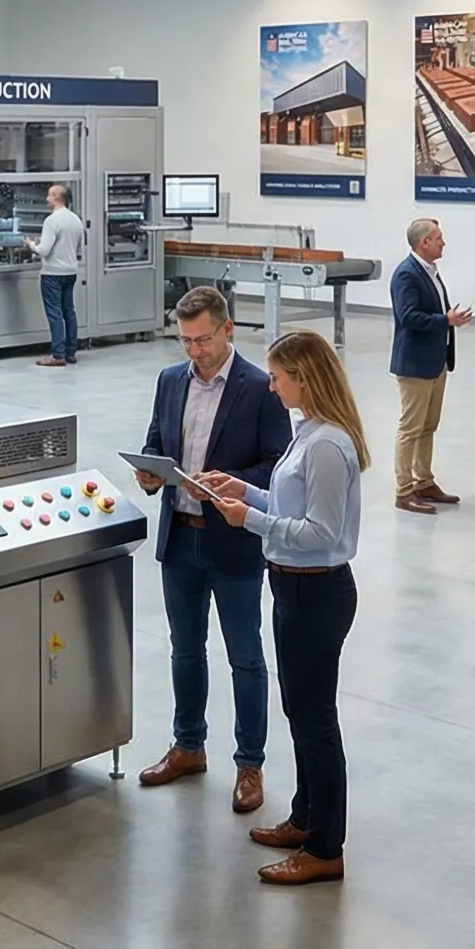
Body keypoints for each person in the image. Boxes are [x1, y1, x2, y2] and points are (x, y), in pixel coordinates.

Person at [192, 328, 367, 888]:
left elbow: (320, 532)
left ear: (304, 377)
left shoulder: (326, 445)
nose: (272, 387)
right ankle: (305, 816)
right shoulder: (307, 432)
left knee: (316, 723)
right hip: (292, 587)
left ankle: (325, 847)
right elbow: (290, 503)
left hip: (317, 592)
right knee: (300, 712)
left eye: (278, 377)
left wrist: (254, 522)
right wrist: (245, 492)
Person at [132, 286, 292, 814]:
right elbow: (158, 441)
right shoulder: (169, 381)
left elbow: (277, 466)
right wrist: (151, 473)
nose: (194, 351)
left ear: (227, 329)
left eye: (203, 340)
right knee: (184, 649)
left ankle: (250, 763)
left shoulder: (259, 388)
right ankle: (188, 746)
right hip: (180, 535)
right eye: (185, 342)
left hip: (233, 539)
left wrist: (230, 484)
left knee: (245, 657)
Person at [387, 217, 470, 514]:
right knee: (411, 428)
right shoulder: (406, 275)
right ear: (424, 242)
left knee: (428, 426)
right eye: (438, 238)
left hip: (435, 363)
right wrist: (445, 321)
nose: (443, 242)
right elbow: (408, 317)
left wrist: (447, 320)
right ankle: (404, 489)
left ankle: (423, 480)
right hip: (415, 364)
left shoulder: (430, 271)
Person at [28, 182, 87, 367]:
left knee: (54, 313)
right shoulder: (76, 220)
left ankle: (57, 355)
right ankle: (70, 352)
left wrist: (31, 244)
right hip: (70, 271)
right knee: (69, 311)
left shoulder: (52, 221)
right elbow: (78, 248)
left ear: (57, 198)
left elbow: (44, 250)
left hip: (52, 273)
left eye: (49, 195)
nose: (46, 199)